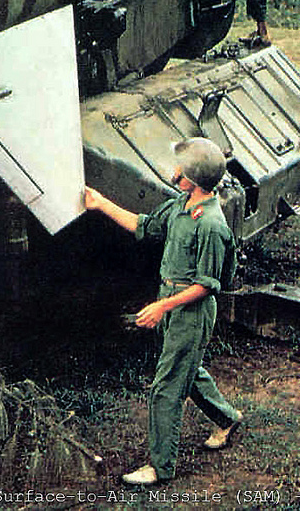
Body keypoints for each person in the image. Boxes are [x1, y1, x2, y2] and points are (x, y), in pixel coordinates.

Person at [84, 137, 243, 486]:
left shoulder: (211, 225)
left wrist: (161, 306)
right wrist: (101, 204)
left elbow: (206, 285)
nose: (174, 173)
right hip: (172, 302)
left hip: (191, 310)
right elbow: (145, 226)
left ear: (195, 179)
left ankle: (160, 466)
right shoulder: (181, 205)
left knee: (166, 387)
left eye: (181, 170)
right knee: (187, 370)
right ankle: (227, 417)